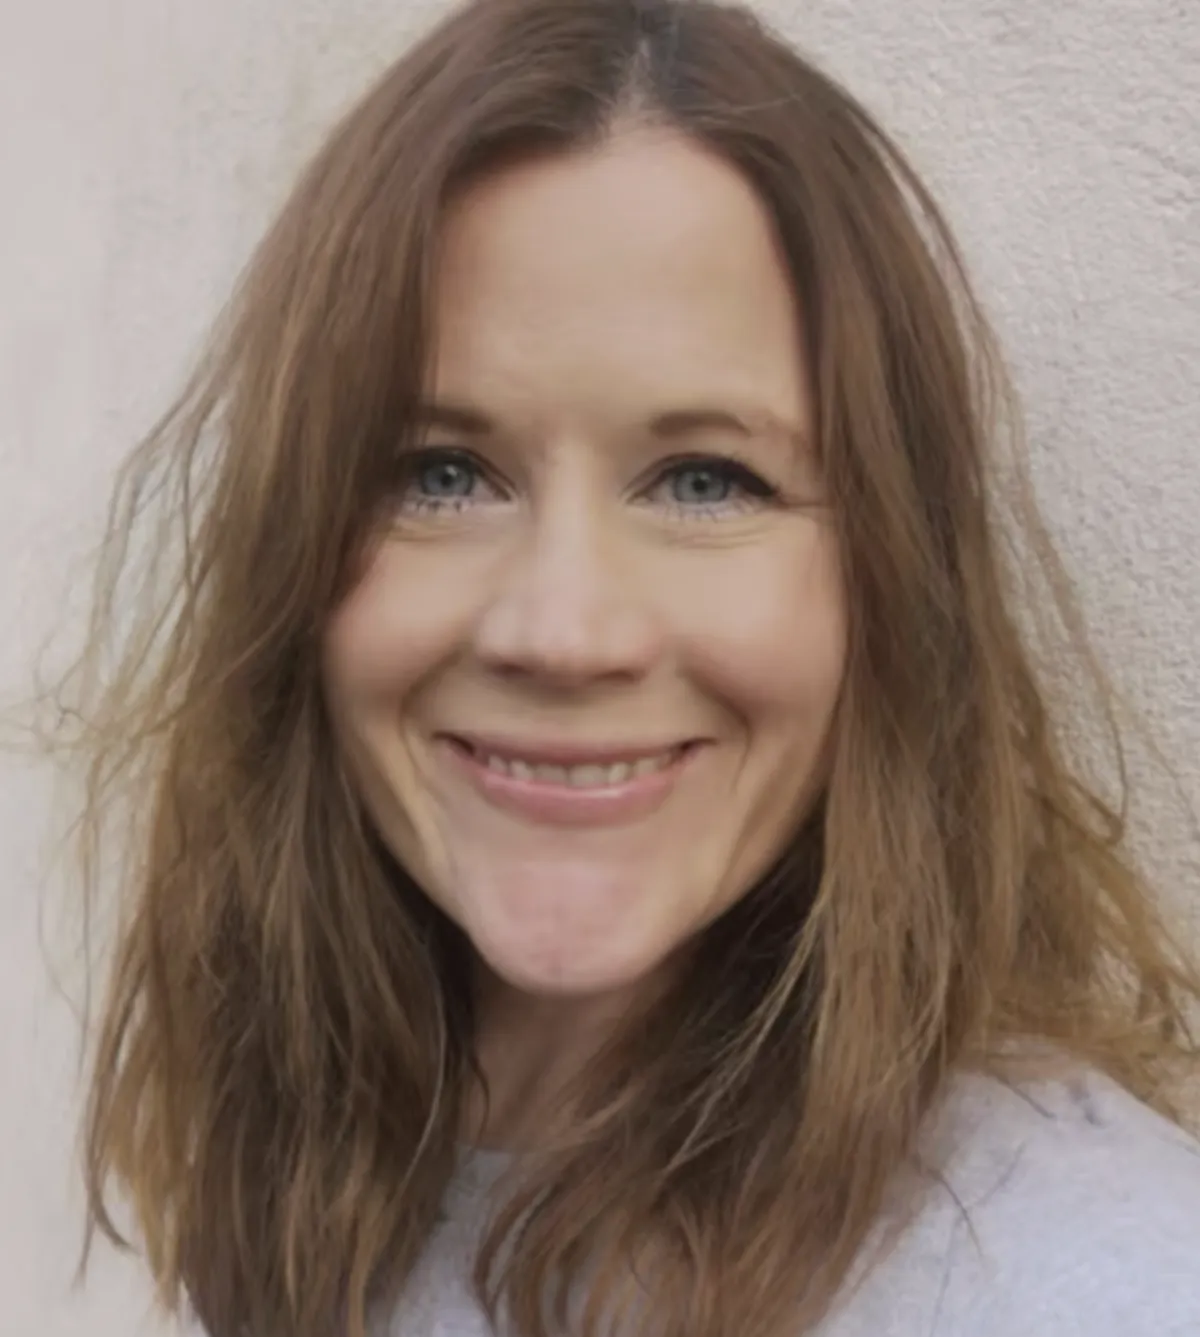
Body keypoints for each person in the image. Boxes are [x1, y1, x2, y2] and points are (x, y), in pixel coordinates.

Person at [51, 0, 1200, 1334]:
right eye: (442, 474)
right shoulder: (315, 1182)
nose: (565, 631)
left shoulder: (1093, 1283)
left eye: (707, 480)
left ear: (893, 585)